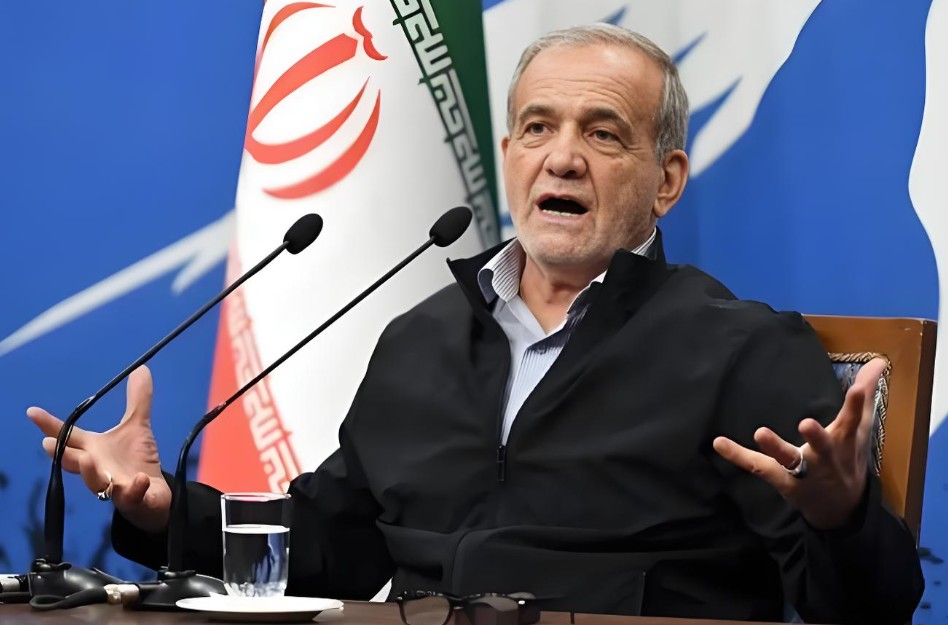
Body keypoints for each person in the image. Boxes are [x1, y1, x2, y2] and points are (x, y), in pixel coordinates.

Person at [29, 24, 922, 622]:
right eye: (537, 127)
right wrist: (160, 508)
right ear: (509, 156)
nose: (561, 156)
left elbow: (869, 607)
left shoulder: (741, 347)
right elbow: (332, 546)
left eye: (603, 133)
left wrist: (840, 518)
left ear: (666, 181)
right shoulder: (422, 337)